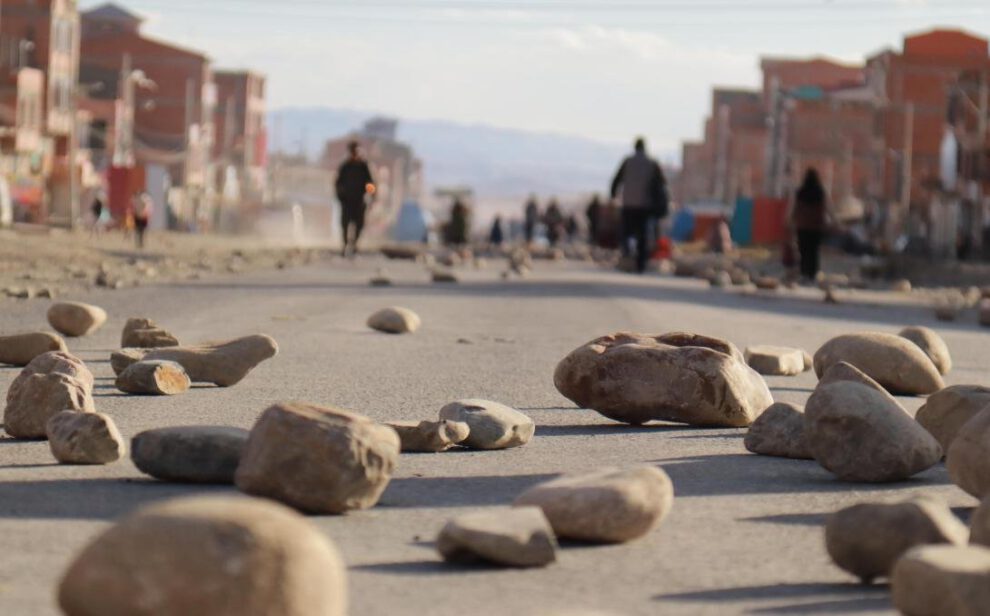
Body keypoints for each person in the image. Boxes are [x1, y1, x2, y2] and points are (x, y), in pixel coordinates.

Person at [610, 137, 668, 273]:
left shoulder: (627, 162)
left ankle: (627, 257)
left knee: (626, 232)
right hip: (645, 205)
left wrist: (613, 195)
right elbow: (661, 183)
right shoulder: (652, 163)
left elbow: (617, 180)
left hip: (628, 204)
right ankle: (640, 264)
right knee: (642, 234)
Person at [335, 141, 375, 257]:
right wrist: (340, 197)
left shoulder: (364, 167)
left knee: (359, 225)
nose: (355, 153)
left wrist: (370, 196)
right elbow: (338, 183)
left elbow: (370, 183)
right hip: (347, 202)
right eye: (353, 151)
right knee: (345, 225)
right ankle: (345, 245)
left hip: (360, 202)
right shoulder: (345, 167)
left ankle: (354, 245)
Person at [791, 168, 829, 281]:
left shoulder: (800, 192)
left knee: (803, 250)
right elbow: (826, 207)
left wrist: (791, 220)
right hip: (816, 227)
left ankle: (804, 272)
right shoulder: (820, 192)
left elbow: (794, 207)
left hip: (802, 226)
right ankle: (813, 273)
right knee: (814, 251)